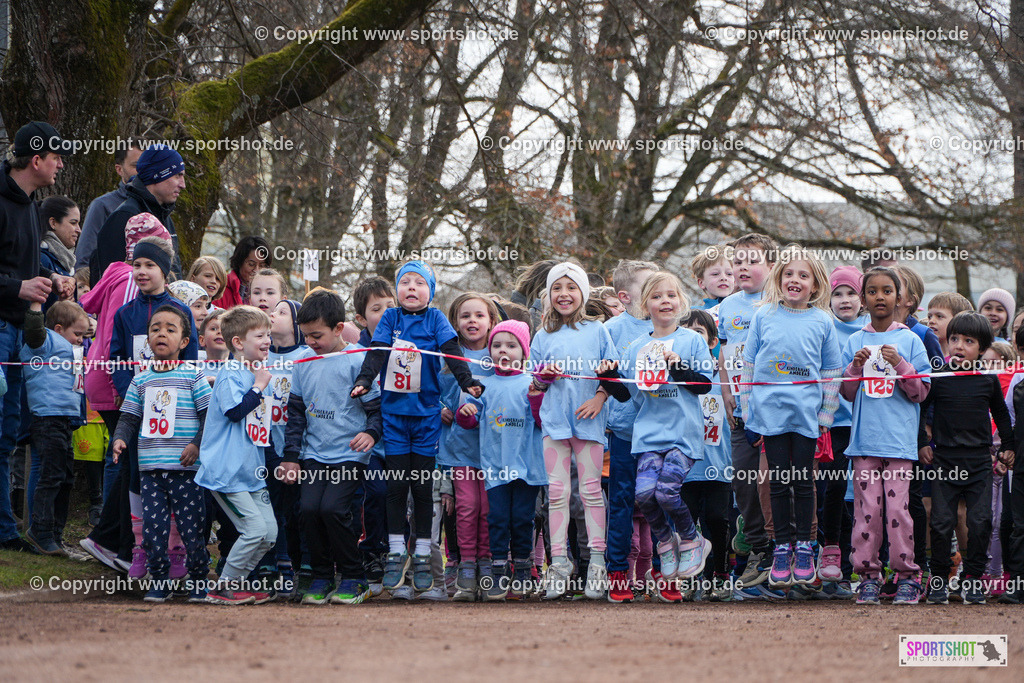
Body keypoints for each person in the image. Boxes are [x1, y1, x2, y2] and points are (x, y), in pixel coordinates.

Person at [351, 260, 482, 594]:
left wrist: (467, 382)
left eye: (419, 282)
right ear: (397, 290)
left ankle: (422, 552)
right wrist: (365, 379)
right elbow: (377, 352)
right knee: (396, 486)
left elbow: (452, 352)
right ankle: (397, 551)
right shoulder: (391, 319)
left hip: (425, 417)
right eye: (405, 282)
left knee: (422, 488)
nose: (412, 287)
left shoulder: (436, 319)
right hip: (394, 417)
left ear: (430, 291)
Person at [740, 245, 842, 589]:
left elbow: (832, 371)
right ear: (779, 278)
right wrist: (748, 412)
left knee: (803, 482)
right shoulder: (763, 316)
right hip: (770, 417)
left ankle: (804, 549)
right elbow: (748, 367)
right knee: (778, 482)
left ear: (815, 284)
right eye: (789, 274)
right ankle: (781, 548)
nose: (794, 280)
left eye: (803, 275)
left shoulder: (823, 321)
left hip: (806, 420)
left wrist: (825, 416)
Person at [607, 272, 714, 597]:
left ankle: (692, 539)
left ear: (681, 302)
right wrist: (608, 376)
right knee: (643, 495)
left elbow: (704, 385)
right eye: (656, 296)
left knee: (666, 493)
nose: (664, 301)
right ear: (645, 305)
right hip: (648, 435)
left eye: (670, 295)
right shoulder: (636, 347)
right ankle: (666, 542)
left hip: (682, 434)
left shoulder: (692, 341)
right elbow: (625, 395)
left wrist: (678, 366)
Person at [278, 290, 382, 605]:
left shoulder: (358, 359)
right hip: (313, 454)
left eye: (317, 335)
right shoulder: (302, 362)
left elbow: (376, 410)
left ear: (338, 329)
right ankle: (322, 577)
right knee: (309, 510)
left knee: (333, 510)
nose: (310, 341)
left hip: (350, 454)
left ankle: (354, 577)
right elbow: (296, 413)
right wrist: (291, 457)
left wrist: (371, 434)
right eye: (306, 335)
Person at [0, 121, 75, 552]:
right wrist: (19, 288)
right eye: (56, 157)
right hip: (0, 332)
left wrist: (50, 276)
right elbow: (13, 277)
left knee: (9, 433)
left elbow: (21, 262)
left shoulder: (30, 204)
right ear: (35, 159)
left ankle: (6, 530)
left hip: (17, 334)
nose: (60, 165)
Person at [108, 236, 199, 576]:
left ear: (165, 270)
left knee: (175, 477)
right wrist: (129, 392)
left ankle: (176, 548)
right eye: (136, 265)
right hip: (139, 408)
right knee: (137, 475)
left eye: (149, 265)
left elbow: (192, 362)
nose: (141, 271)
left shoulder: (182, 311)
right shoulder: (124, 314)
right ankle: (140, 548)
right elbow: (116, 358)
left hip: (177, 413)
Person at [840, 267, 931, 605]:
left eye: (887, 291)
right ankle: (867, 577)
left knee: (898, 512)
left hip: (899, 445)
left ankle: (907, 576)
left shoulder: (911, 340)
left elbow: (921, 392)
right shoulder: (854, 341)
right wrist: (854, 368)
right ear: (863, 299)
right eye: (873, 291)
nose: (880, 297)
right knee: (867, 513)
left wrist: (902, 364)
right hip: (864, 444)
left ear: (900, 298)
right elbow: (847, 393)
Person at [110, 305, 212, 603]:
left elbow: (208, 417)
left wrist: (196, 444)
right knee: (154, 529)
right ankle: (159, 581)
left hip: (185, 470)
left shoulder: (194, 375)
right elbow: (128, 417)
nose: (161, 333)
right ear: (147, 340)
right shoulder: (140, 380)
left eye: (170, 329)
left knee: (192, 528)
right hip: (150, 471)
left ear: (184, 341)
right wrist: (119, 439)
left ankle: (198, 580)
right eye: (155, 329)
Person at [529, 261, 617, 600]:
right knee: (556, 494)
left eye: (571, 287)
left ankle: (597, 563)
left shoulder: (598, 330)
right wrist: (543, 377)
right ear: (549, 294)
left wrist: (599, 397)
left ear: (583, 293)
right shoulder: (542, 335)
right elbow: (535, 385)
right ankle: (559, 563)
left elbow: (612, 374)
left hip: (589, 424)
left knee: (591, 491)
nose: (564, 294)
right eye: (557, 288)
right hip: (554, 425)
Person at [920, 312, 1015, 604]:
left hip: (979, 462)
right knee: (940, 522)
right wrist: (922, 443)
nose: (959, 346)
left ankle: (973, 578)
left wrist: (1008, 447)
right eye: (954, 339)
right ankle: (938, 578)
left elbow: (1001, 414)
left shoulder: (988, 379)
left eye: (968, 341)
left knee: (981, 521)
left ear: (983, 348)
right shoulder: (939, 377)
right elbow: (921, 411)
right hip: (944, 461)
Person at [456, 320, 546, 600]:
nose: (503, 350)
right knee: (497, 518)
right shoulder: (482, 385)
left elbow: (543, 421)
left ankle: (522, 570)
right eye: (496, 345)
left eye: (511, 345)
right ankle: (498, 570)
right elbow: (468, 421)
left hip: (527, 466)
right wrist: (466, 413)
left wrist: (536, 397)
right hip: (495, 466)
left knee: (522, 518)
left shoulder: (531, 382)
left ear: (524, 351)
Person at [196, 305, 277, 605]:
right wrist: (258, 387)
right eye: (260, 335)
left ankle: (237, 583)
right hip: (226, 472)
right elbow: (234, 412)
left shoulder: (255, 373)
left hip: (251, 472)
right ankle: (223, 586)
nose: (267, 340)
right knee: (254, 530)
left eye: (268, 334)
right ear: (238, 343)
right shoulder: (230, 373)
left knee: (269, 533)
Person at [717, 233, 777, 589]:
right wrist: (726, 391)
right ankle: (758, 548)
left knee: (771, 483)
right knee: (742, 481)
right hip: (739, 412)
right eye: (737, 261)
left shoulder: (779, 302)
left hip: (773, 413)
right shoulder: (728, 306)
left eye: (752, 261)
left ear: (771, 266)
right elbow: (724, 353)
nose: (742, 267)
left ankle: (782, 549)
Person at [601, 259, 660, 603]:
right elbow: (602, 379)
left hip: (662, 431)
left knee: (661, 500)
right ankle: (617, 572)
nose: (657, 292)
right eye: (648, 285)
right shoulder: (610, 330)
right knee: (621, 502)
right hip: (624, 431)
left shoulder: (671, 327)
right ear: (624, 297)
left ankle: (664, 572)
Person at [440, 293, 499, 601]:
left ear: (491, 321)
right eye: (465, 316)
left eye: (479, 315)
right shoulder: (447, 356)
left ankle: (487, 565)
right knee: (467, 507)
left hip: (493, 449)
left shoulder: (500, 352)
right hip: (459, 448)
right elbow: (431, 392)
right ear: (455, 322)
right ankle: (466, 567)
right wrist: (440, 408)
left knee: (487, 508)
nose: (472, 321)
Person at [20, 300, 89, 555]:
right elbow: (33, 330)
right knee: (51, 476)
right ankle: (40, 530)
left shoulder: (72, 349)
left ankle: (56, 535)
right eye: (77, 334)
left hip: (65, 419)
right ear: (58, 329)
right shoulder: (45, 341)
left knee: (66, 478)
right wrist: (36, 304)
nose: (81, 340)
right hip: (47, 418)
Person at [680, 308, 734, 601]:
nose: (692, 338)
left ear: (713, 342)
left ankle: (721, 575)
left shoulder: (723, 377)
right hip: (684, 466)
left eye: (698, 332)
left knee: (717, 519)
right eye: (686, 332)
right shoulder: (674, 376)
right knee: (687, 521)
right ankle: (690, 576)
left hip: (718, 464)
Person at [818, 265, 867, 583]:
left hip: (866, 422)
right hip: (832, 422)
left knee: (866, 492)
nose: (845, 299)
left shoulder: (871, 331)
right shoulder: (823, 327)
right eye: (838, 294)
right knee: (832, 488)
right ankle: (831, 550)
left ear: (862, 299)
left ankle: (867, 559)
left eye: (851, 293)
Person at [350, 276, 395, 590]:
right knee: (375, 493)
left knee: (400, 497)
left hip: (404, 436)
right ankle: (371, 552)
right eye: (377, 309)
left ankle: (398, 553)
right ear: (361, 319)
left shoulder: (411, 346)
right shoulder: (355, 353)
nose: (386, 313)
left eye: (390, 306)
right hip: (370, 440)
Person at [90, 144, 186, 285]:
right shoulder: (125, 216)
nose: (183, 185)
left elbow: (174, 271)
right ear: (158, 175)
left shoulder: (165, 217)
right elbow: (111, 280)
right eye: (177, 175)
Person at [75, 140, 143, 270]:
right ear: (119, 169)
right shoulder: (102, 206)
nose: (142, 171)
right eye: (136, 166)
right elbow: (84, 261)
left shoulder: (160, 206)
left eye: (147, 165)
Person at [39, 196, 81, 310]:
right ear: (53, 223)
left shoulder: (65, 261)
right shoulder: (43, 260)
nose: (79, 230)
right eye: (73, 223)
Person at [213, 236, 271, 308]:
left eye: (262, 266)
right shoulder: (221, 289)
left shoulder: (273, 291)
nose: (257, 270)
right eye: (251, 264)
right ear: (239, 262)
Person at [926, 292, 973, 357]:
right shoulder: (925, 355)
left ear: (958, 320)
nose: (931, 321)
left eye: (939, 316)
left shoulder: (961, 359)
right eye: (929, 317)